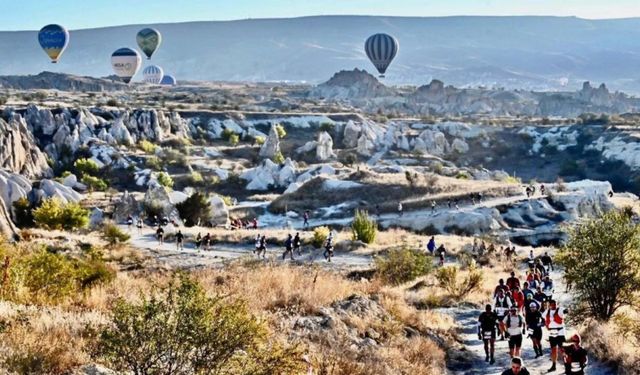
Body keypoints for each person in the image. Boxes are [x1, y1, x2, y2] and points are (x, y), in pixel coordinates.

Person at [545, 299, 567, 373]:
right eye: (552, 304)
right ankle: (554, 365)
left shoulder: (560, 309)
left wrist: (565, 311)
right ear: (550, 305)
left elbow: (565, 311)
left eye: (555, 304)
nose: (554, 306)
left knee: (562, 349)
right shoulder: (547, 311)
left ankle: (567, 365)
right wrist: (546, 325)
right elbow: (543, 318)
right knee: (553, 349)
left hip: (560, 332)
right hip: (552, 332)